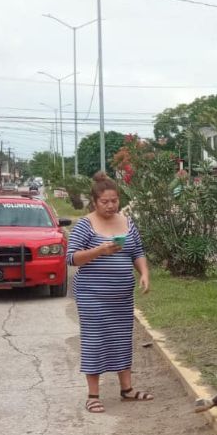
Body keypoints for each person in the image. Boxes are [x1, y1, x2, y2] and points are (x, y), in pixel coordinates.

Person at [66, 171, 153, 413]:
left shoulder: (126, 223)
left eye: (115, 200)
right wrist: (99, 251)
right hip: (92, 296)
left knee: (122, 339)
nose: (111, 205)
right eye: (105, 201)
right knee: (95, 341)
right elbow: (71, 258)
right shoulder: (86, 225)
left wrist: (144, 273)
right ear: (95, 202)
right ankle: (93, 395)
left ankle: (127, 389)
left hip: (122, 296)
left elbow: (138, 252)